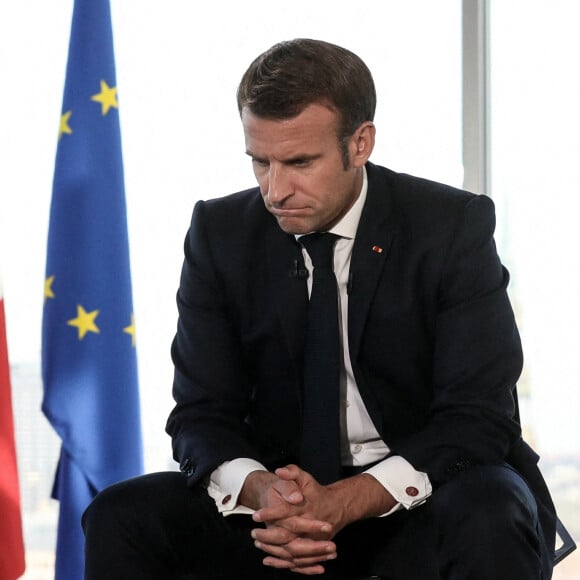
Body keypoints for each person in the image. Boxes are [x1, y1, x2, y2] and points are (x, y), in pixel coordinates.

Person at [83, 38, 557, 579]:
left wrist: (344, 501)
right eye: (260, 162)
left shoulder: (450, 227)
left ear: (360, 144)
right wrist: (268, 494)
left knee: (492, 505)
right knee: (120, 515)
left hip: (418, 498)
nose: (274, 190)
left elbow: (477, 417)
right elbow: (200, 414)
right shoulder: (220, 234)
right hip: (280, 509)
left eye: (299, 162)